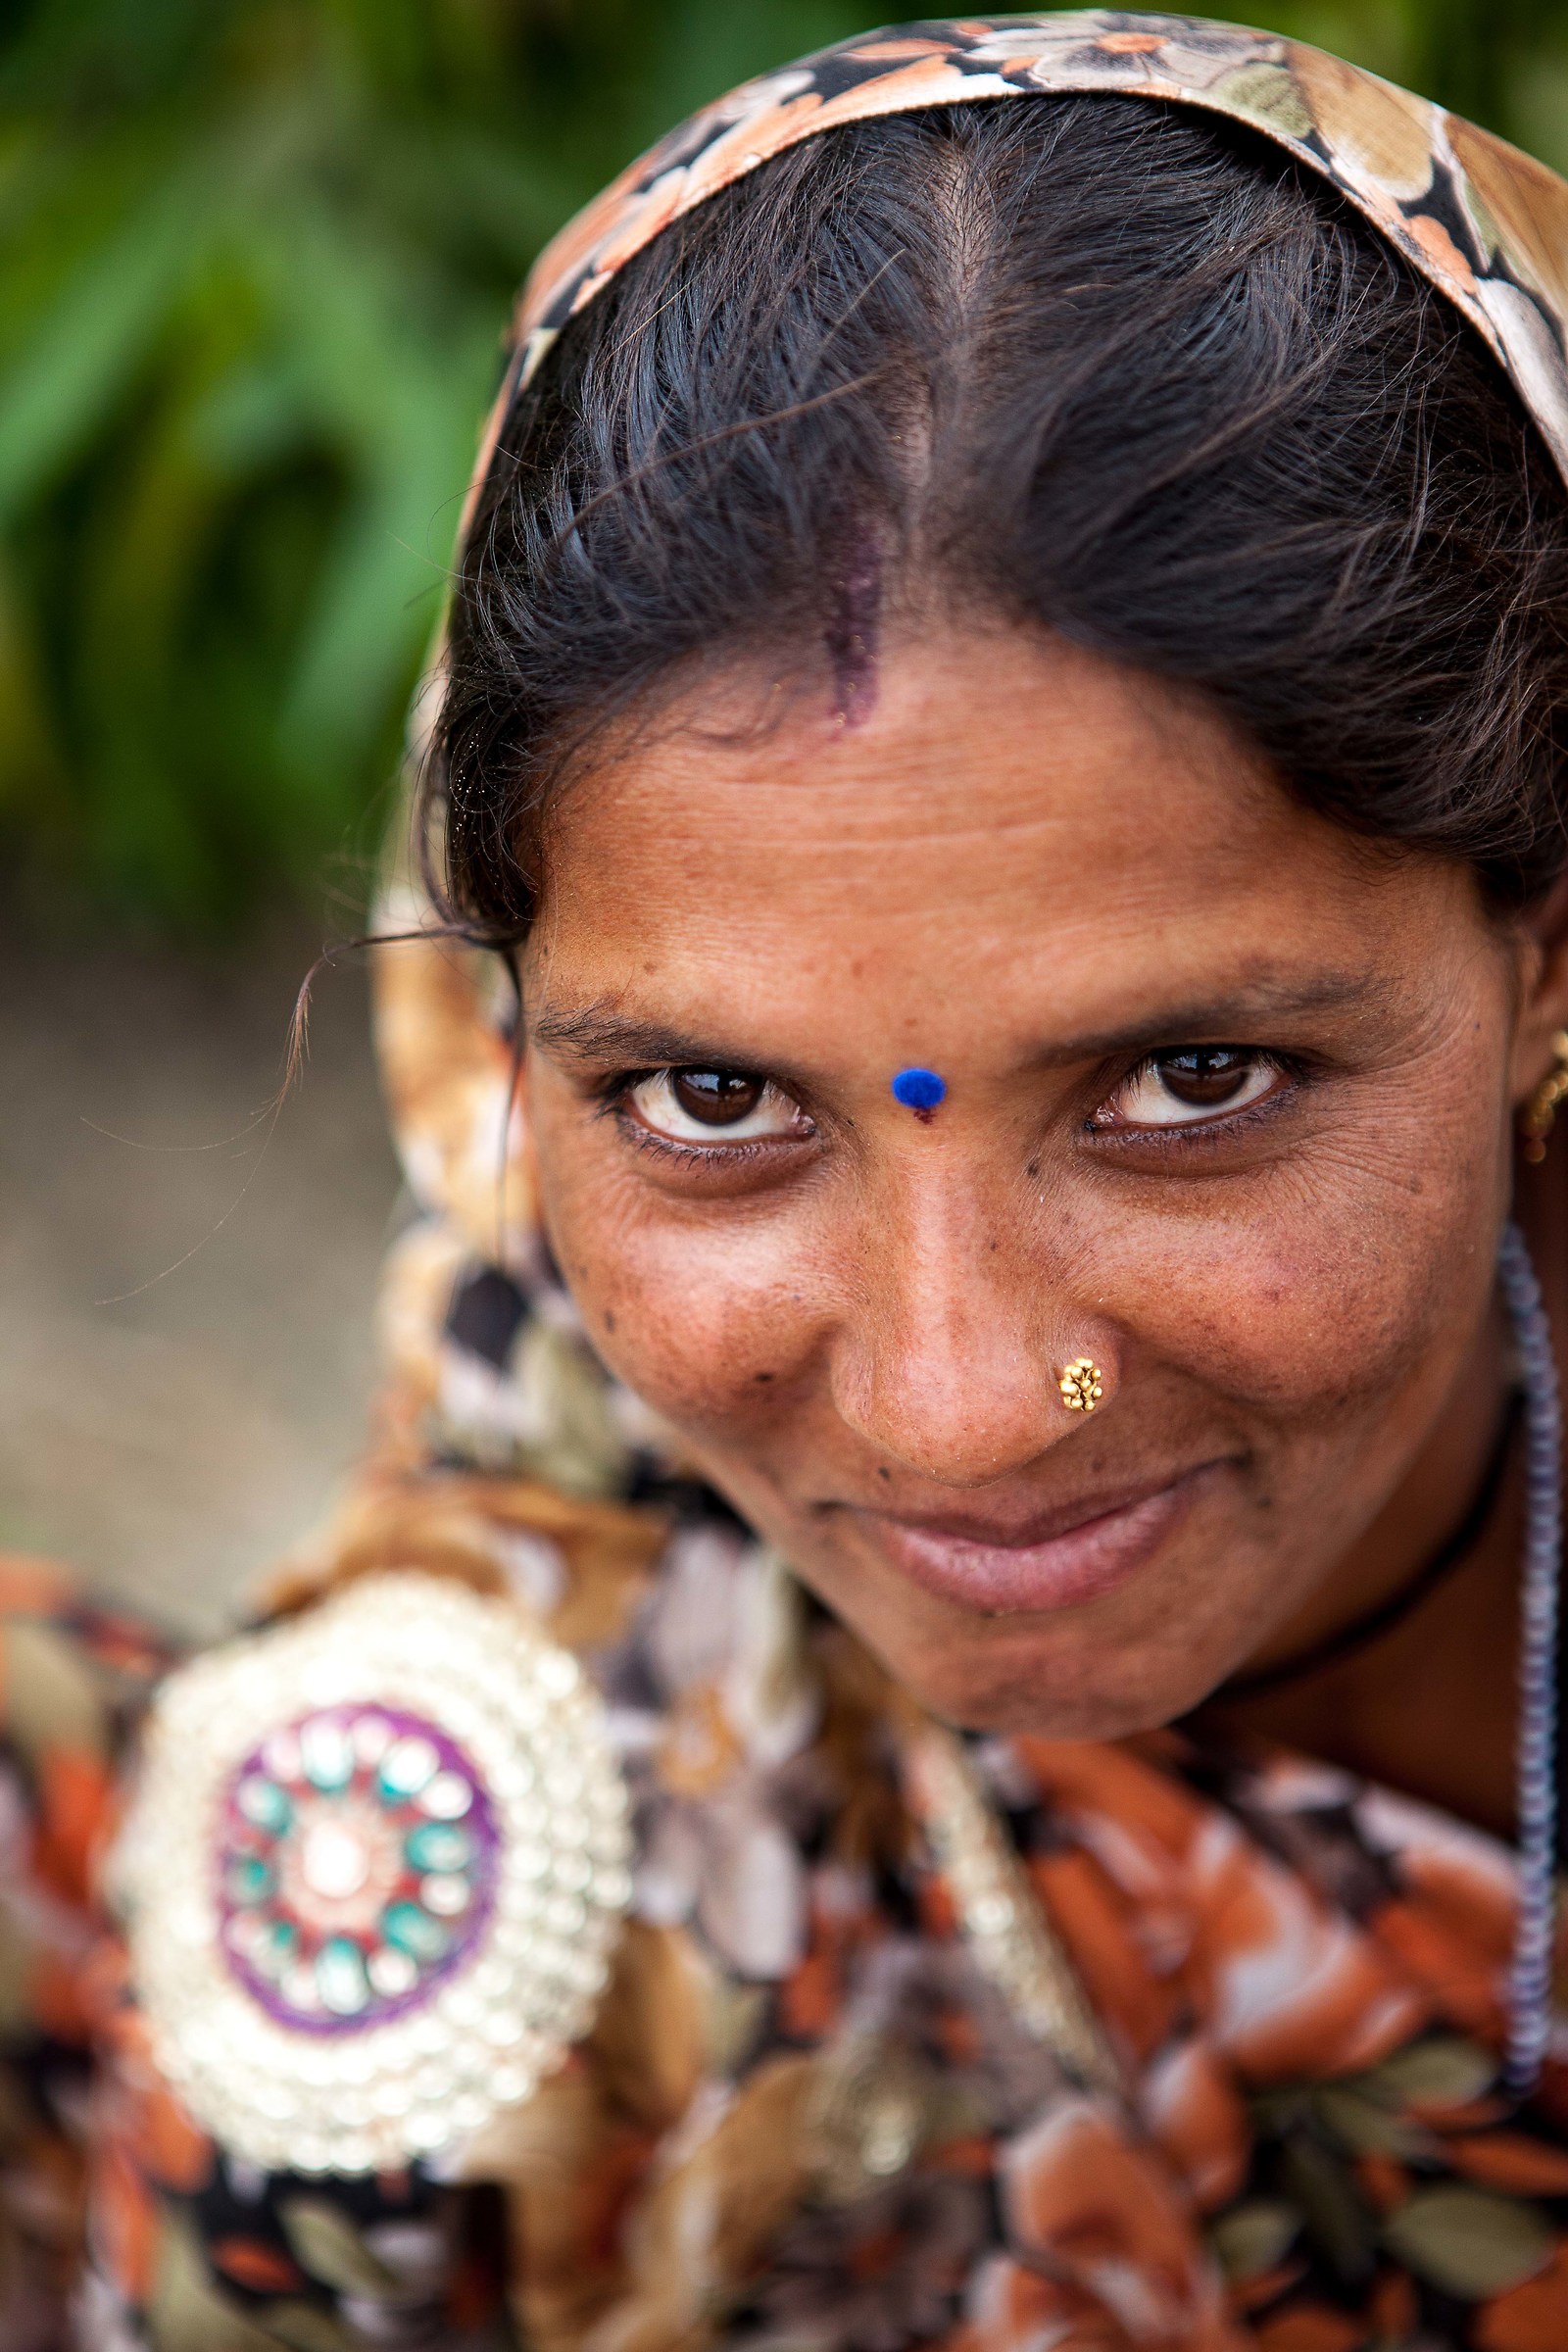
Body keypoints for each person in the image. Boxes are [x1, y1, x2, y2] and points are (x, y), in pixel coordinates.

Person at [9, 14, 1568, 2348]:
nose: (951, 1410)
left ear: (1543, 951)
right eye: (714, 1107)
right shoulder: (465, 1928)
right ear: (512, 1040)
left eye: (1191, 1073)